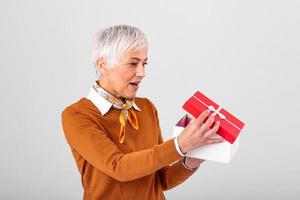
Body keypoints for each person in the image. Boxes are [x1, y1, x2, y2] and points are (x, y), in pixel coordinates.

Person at [61, 24, 224, 200]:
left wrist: (192, 160)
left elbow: (160, 179)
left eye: (144, 63)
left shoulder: (146, 108)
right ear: (103, 64)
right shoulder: (77, 115)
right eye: (133, 63)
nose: (142, 73)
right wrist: (179, 145)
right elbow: (119, 168)